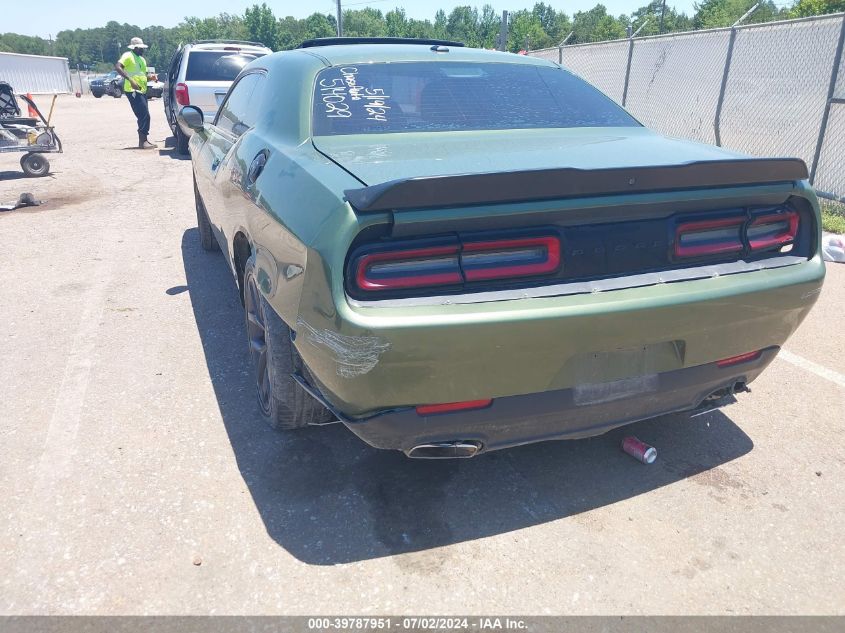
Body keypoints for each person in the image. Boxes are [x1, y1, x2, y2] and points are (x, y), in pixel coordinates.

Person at [115, 37, 156, 149]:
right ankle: (143, 141)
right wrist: (130, 79)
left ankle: (144, 140)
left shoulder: (142, 59)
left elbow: (142, 74)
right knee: (144, 115)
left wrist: (151, 78)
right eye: (141, 48)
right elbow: (118, 67)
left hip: (142, 90)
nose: (143, 50)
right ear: (135, 48)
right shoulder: (128, 55)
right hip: (133, 90)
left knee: (144, 115)